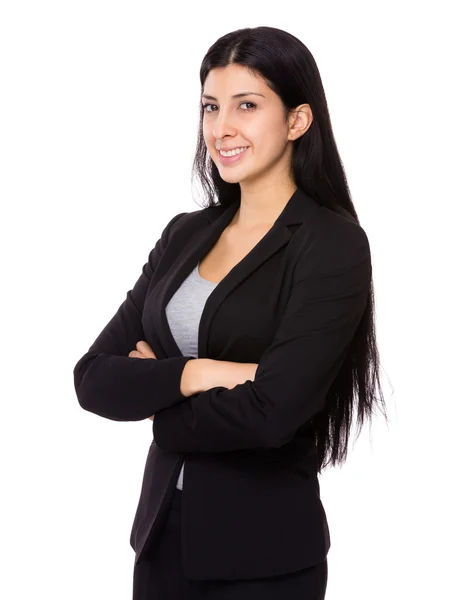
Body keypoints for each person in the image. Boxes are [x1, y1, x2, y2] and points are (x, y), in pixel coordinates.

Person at [73, 25, 387, 600]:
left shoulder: (330, 244)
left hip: (262, 561)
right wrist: (201, 374)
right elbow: (93, 377)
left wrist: (161, 407)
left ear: (297, 120)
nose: (222, 129)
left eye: (247, 105)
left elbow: (273, 412)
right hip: (162, 541)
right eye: (211, 107)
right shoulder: (185, 234)